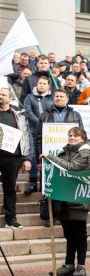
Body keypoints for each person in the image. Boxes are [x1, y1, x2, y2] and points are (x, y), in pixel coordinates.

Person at [41, 127, 90, 276]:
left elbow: (73, 168)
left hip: (79, 197)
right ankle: (69, 265)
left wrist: (50, 157)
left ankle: (81, 266)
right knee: (69, 235)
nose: (72, 138)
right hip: (63, 198)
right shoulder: (64, 152)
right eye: (70, 135)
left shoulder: (86, 153)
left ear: (83, 138)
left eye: (76, 136)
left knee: (80, 234)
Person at [0, 88, 31, 229]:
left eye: (3, 95)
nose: (0, 96)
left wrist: (26, 158)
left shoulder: (18, 114)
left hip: (12, 157)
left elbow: (25, 135)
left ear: (10, 98)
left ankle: (10, 219)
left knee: (10, 189)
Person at [23, 76, 54, 195]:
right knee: (33, 155)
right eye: (39, 83)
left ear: (48, 85)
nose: (41, 85)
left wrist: (47, 126)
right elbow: (28, 112)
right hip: (32, 131)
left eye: (44, 83)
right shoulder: (30, 97)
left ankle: (44, 183)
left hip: (49, 133)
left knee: (45, 156)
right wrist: (41, 124)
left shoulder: (52, 98)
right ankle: (32, 182)